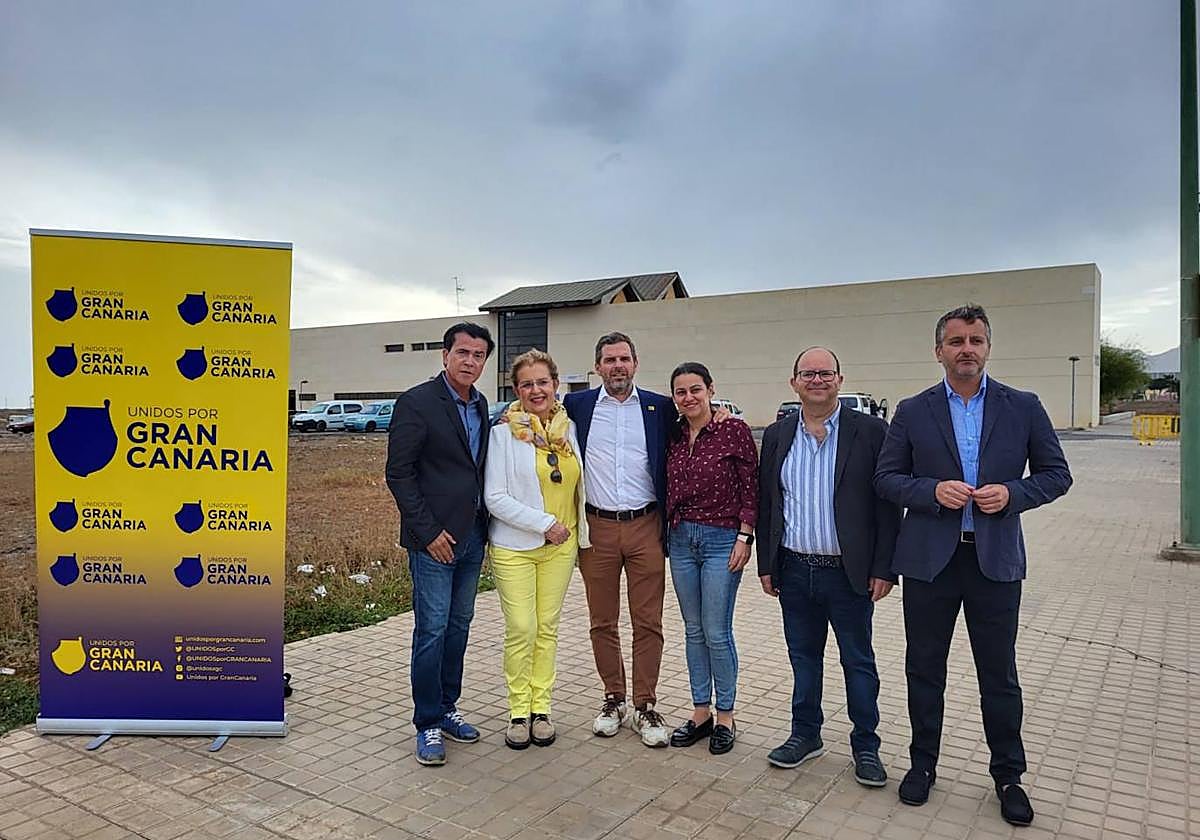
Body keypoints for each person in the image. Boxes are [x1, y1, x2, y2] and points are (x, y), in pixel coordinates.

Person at [874, 304, 1072, 826]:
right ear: (938, 350)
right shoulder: (913, 410)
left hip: (994, 563)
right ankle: (922, 764)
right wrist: (931, 491)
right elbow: (886, 479)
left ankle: (1009, 775)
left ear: (988, 347)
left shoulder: (1023, 406)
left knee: (999, 675)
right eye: (957, 341)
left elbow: (1056, 474)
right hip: (929, 564)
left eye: (976, 340)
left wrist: (1012, 494)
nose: (967, 349)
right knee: (924, 668)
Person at [756, 347, 900, 786]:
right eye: (808, 373)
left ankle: (866, 746)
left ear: (839, 379)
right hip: (795, 570)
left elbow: (888, 506)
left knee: (858, 662)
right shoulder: (778, 435)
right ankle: (806, 735)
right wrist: (767, 562)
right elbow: (768, 504)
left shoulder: (872, 431)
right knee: (804, 659)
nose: (816, 380)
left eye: (825, 373)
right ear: (793, 382)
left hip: (849, 573)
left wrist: (884, 567)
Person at [385, 322, 494, 766]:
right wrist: (428, 533)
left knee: (458, 629)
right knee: (431, 631)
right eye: (463, 353)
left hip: (471, 538)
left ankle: (448, 707)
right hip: (434, 543)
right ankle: (427, 721)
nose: (470, 361)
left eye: (479, 355)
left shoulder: (482, 404)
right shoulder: (416, 402)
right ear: (445, 355)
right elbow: (400, 474)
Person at [562, 332, 676, 747]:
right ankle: (613, 698)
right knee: (602, 621)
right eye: (609, 360)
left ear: (636, 362)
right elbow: (535, 415)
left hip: (647, 524)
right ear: (597, 367)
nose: (617, 366)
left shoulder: (659, 407)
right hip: (598, 528)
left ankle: (645, 704)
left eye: (624, 358)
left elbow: (693, 426)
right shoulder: (577, 406)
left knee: (648, 621)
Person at [484, 350, 589, 750]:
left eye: (542, 381)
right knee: (522, 629)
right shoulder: (503, 434)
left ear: (555, 384)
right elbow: (494, 497)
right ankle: (516, 711)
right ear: (516, 390)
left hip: (561, 549)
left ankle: (540, 709)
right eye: (527, 384)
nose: (536, 390)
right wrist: (545, 524)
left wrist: (571, 533)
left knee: (547, 629)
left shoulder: (569, 430)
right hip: (516, 547)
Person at [663, 362, 758, 755]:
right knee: (693, 630)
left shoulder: (733, 429)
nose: (689, 398)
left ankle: (726, 715)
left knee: (717, 630)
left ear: (710, 390)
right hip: (681, 539)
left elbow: (752, 487)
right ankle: (700, 710)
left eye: (696, 390)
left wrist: (745, 536)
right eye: (681, 392)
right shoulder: (672, 432)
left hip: (722, 539)